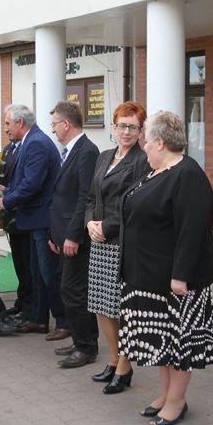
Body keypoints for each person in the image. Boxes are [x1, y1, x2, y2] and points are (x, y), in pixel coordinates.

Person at [118, 111, 213, 425]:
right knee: (162, 343)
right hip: (147, 275)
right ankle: (164, 395)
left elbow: (193, 230)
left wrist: (181, 275)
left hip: (174, 281)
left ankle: (176, 402)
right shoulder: (158, 171)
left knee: (178, 344)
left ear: (159, 142)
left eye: (146, 141)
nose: (143, 147)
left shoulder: (187, 175)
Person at [85, 101, 150, 393]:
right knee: (102, 305)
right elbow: (90, 198)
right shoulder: (103, 157)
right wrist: (89, 223)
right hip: (98, 240)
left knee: (121, 307)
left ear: (140, 130)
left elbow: (135, 203)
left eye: (132, 127)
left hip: (122, 242)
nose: (126, 131)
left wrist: (105, 227)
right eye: (122, 125)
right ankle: (113, 359)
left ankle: (125, 366)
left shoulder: (142, 161)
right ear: (113, 127)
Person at [0, 104, 65, 339]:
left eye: (7, 124)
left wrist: (7, 201)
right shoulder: (30, 141)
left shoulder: (35, 143)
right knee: (38, 274)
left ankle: (63, 322)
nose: (6, 129)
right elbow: (24, 180)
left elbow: (32, 184)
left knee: (48, 273)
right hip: (35, 220)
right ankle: (38, 319)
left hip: (42, 220)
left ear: (20, 123)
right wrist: (7, 194)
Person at [48, 101, 100, 367]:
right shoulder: (70, 150)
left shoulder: (87, 151)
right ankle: (82, 339)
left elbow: (84, 197)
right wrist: (55, 234)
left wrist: (72, 236)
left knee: (73, 290)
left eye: (55, 123)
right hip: (63, 235)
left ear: (66, 124)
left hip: (76, 237)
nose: (53, 129)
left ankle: (86, 347)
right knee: (73, 290)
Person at [0, 137, 31, 319]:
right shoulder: (8, 149)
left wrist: (7, 196)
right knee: (18, 261)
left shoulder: (28, 147)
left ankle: (28, 304)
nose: (6, 128)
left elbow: (26, 183)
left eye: (8, 124)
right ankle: (21, 300)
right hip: (11, 214)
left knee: (27, 263)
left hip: (23, 212)